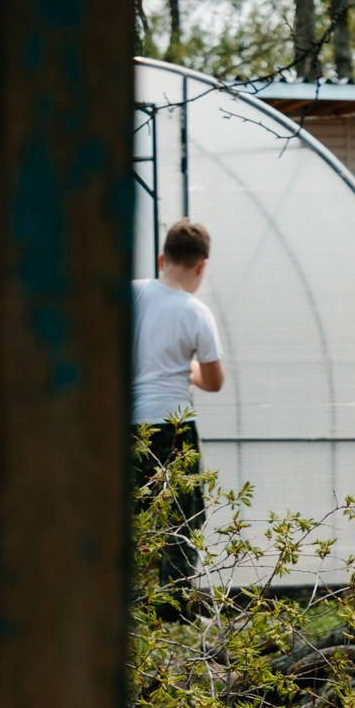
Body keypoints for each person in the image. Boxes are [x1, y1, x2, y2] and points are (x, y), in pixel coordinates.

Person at [132, 218, 224, 608]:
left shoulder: (131, 294)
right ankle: (174, 608)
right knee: (182, 519)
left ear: (160, 258)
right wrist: (187, 369)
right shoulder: (196, 313)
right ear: (202, 265)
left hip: (129, 423)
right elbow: (214, 381)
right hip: (173, 424)